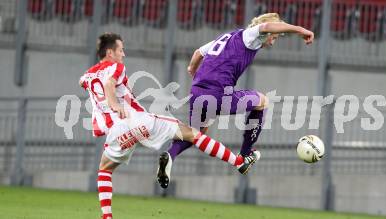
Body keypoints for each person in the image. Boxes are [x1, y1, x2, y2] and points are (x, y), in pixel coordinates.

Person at [79, 32, 260, 219]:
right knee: (193, 134)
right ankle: (239, 162)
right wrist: (115, 105)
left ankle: (107, 216)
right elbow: (109, 83)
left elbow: (86, 82)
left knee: (104, 170)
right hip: (137, 121)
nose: (123, 54)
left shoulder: (87, 76)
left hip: (116, 132)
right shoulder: (116, 66)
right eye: (121, 50)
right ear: (110, 52)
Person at [159, 13, 314, 188]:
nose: (273, 41)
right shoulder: (250, 36)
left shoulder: (226, 37)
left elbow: (197, 54)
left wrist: (193, 72)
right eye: (275, 37)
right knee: (262, 101)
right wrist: (301, 30)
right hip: (218, 93)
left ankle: (170, 155)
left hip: (197, 90)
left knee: (196, 134)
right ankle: (246, 154)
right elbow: (267, 27)